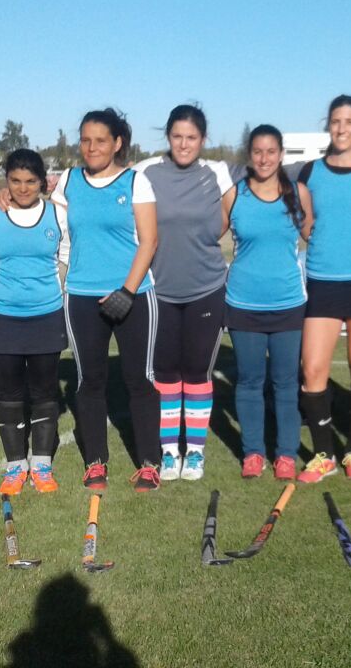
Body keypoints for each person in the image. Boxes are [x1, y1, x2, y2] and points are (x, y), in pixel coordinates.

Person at [51, 109, 161, 492]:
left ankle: (149, 463)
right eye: (85, 140)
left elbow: (149, 241)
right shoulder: (68, 181)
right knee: (89, 380)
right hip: (81, 295)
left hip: (134, 296)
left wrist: (126, 292)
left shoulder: (136, 182)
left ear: (117, 143)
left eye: (100, 140)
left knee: (139, 380)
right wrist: (5, 202)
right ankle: (95, 462)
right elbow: (51, 226)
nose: (91, 147)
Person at [134, 105, 235, 481]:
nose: (184, 144)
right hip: (158, 292)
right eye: (177, 136)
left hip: (206, 289)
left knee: (196, 371)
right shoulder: (145, 171)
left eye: (191, 137)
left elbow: (233, 216)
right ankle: (168, 451)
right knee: (164, 373)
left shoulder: (218, 173)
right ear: (168, 137)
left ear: (203, 139)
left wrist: (202, 239)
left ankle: (194, 452)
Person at [296, 95, 351, 484]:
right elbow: (303, 220)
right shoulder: (310, 172)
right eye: (335, 121)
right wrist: (312, 233)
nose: (342, 128)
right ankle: (324, 454)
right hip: (322, 280)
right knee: (313, 369)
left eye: (350, 122)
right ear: (328, 125)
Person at [225, 125, 312, 480]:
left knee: (286, 383)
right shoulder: (235, 195)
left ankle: (286, 454)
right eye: (258, 151)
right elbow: (204, 238)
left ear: (281, 154)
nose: (264, 158)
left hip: (288, 303)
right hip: (243, 303)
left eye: (271, 151)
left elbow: (314, 235)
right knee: (249, 381)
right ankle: (253, 452)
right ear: (250, 155)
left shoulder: (298, 192)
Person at [0, 149, 69, 495]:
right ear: (6, 180)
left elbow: (68, 257)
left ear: (43, 182)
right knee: (9, 395)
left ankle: (42, 464)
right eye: (15, 181)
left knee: (45, 393)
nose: (22, 188)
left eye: (30, 181)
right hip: (2, 317)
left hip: (46, 316)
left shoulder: (57, 215)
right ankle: (16, 465)